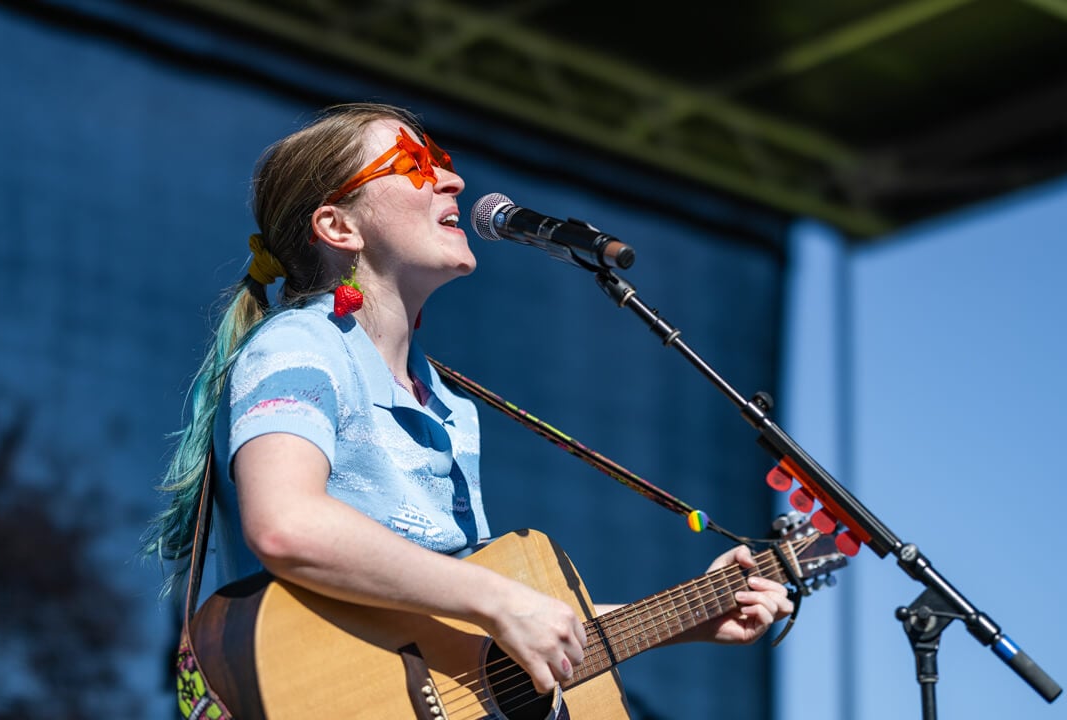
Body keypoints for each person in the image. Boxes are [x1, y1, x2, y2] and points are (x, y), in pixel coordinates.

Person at [143, 102, 793, 706]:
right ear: (337, 225)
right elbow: (286, 524)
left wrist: (690, 617)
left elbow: (472, 636)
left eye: (443, 161)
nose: (450, 181)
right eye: (415, 165)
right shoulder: (301, 346)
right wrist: (500, 599)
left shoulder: (451, 407)